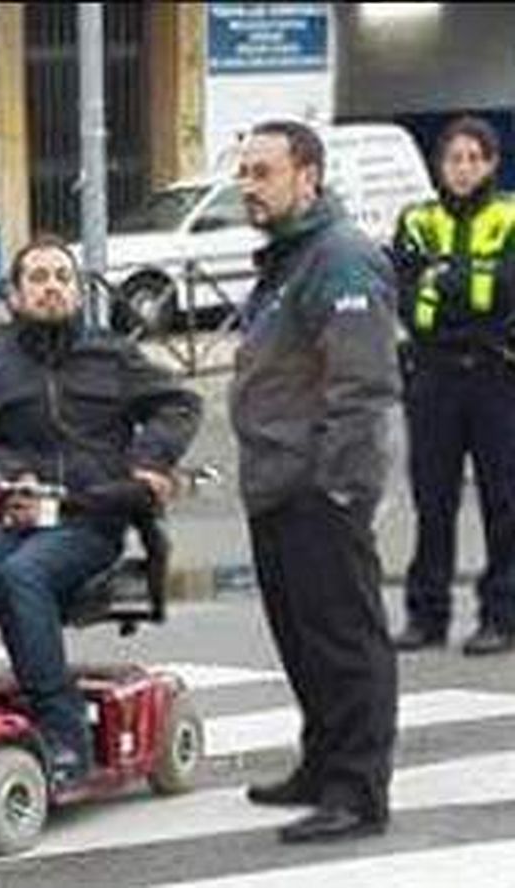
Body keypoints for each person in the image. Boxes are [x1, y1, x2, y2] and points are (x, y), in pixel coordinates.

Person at [0, 235, 201, 787]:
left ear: (78, 291)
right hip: (16, 517)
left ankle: (65, 734)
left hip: (90, 518)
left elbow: (181, 403)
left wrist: (150, 460)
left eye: (63, 277)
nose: (52, 287)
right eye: (37, 278)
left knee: (21, 576)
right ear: (13, 295)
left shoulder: (112, 355)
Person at [230, 120, 400, 843]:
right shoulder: (292, 259)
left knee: (343, 643)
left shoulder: (341, 260)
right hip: (276, 483)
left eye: (262, 172)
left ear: (308, 175)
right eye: (244, 173)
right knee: (301, 639)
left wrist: (338, 490)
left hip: (317, 490)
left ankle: (357, 792)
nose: (248, 187)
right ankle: (322, 763)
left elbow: (362, 387)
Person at [390, 115, 515, 656]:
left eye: (473, 158)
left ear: (490, 163)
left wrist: (447, 284)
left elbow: (499, 290)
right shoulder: (417, 220)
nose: (462, 169)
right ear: (439, 165)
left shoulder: (509, 217)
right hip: (434, 374)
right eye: (453, 159)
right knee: (432, 497)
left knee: (504, 500)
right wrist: (462, 289)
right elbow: (407, 294)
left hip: (497, 372)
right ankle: (427, 613)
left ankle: (502, 615)